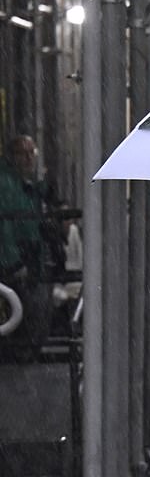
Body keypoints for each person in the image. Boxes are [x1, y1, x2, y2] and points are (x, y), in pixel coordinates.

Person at [0, 135, 56, 357]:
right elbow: (6, 223)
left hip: (27, 255)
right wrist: (13, 262)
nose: (28, 159)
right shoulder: (7, 184)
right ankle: (23, 353)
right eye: (22, 154)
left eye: (31, 153)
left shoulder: (21, 183)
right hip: (19, 258)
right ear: (12, 157)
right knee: (26, 311)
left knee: (28, 311)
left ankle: (24, 352)